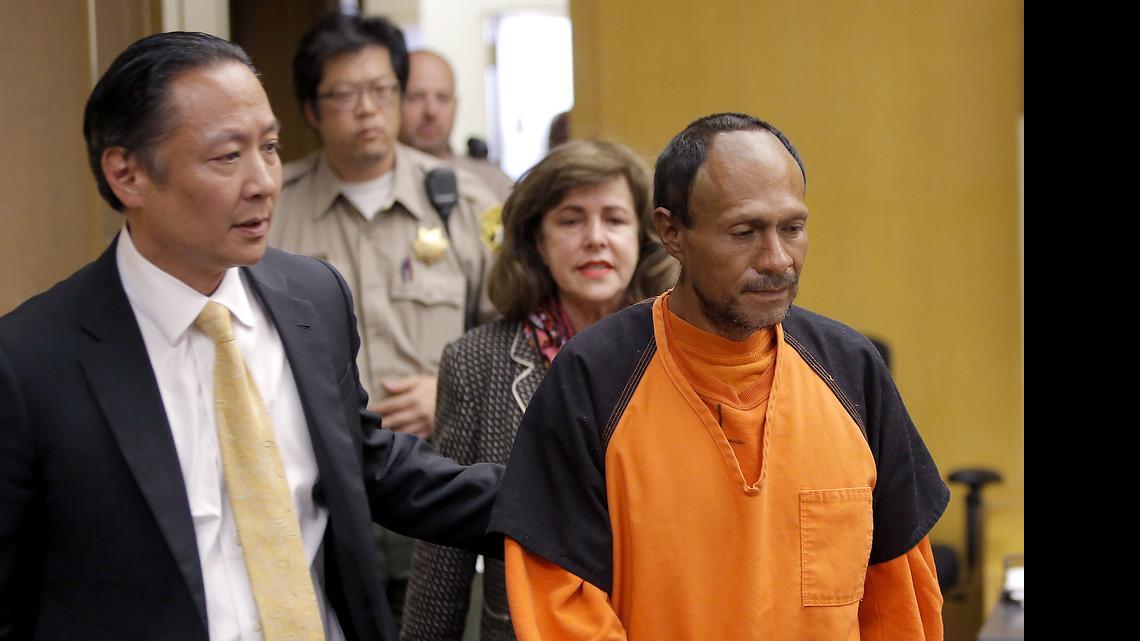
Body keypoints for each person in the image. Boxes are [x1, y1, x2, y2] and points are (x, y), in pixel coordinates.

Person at [0, 32, 502, 641]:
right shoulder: (31, 362)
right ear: (127, 174)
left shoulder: (312, 297)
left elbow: (367, 465)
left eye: (269, 147)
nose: (264, 181)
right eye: (227, 157)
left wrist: (555, 501)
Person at [488, 113, 950, 641]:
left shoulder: (850, 369)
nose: (777, 260)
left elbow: (899, 601)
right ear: (671, 232)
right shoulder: (594, 378)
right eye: (744, 232)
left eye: (792, 228)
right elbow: (563, 606)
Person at [270, 14, 502, 622]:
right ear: (312, 110)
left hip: (437, 475)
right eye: (345, 94)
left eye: (381, 90)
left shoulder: (464, 202)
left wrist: (449, 390)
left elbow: (513, 339)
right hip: (318, 482)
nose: (368, 109)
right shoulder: (272, 211)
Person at [400, 140, 677, 641]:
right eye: (571, 221)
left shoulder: (681, 352)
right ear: (537, 242)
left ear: (643, 238)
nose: (595, 239)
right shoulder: (475, 362)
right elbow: (444, 551)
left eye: (614, 220)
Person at [398, 50, 515, 201]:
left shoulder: (494, 184)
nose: (431, 111)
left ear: (455, 105)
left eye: (443, 98)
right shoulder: (377, 183)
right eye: (416, 97)